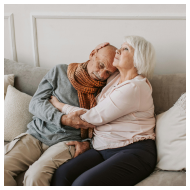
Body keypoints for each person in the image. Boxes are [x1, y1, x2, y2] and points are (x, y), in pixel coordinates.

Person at [50, 36, 157, 186]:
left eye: (125, 49)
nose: (118, 51)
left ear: (138, 59)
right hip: (102, 148)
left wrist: (58, 105)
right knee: (62, 175)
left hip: (133, 152)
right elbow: (93, 67)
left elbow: (91, 117)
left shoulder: (135, 87)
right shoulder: (114, 78)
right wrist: (98, 49)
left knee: (82, 185)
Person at [4, 44, 117, 186]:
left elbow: (104, 125)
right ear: (92, 53)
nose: (101, 75)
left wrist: (87, 144)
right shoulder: (60, 72)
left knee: (35, 176)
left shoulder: (107, 90)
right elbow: (36, 103)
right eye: (101, 65)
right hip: (36, 135)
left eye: (108, 72)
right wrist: (63, 119)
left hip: (66, 143)